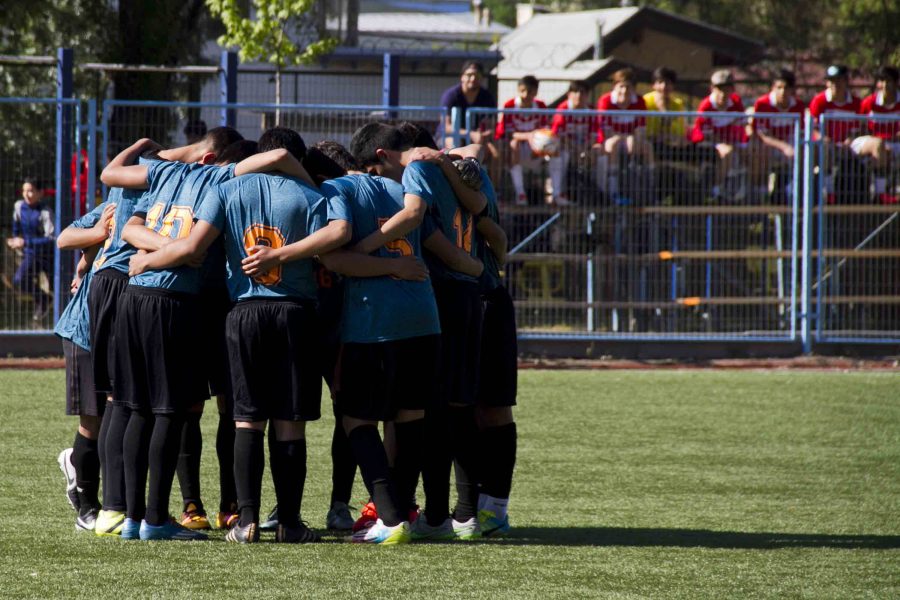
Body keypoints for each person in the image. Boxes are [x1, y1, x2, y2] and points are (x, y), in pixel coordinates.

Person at [127, 127, 352, 544]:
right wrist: (286, 253)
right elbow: (338, 234)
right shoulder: (309, 194)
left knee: (246, 419)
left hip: (243, 313)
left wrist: (149, 260)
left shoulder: (228, 190)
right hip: (294, 313)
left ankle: (245, 521)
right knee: (290, 424)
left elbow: (194, 245)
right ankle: (289, 522)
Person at [100, 129, 304, 541]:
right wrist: (174, 254)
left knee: (136, 408)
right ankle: (156, 520)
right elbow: (278, 154)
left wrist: (151, 256)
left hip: (133, 296)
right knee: (167, 411)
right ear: (220, 162)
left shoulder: (165, 172)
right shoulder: (222, 178)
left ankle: (134, 518)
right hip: (173, 300)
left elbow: (128, 227)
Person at [54, 201, 116, 531]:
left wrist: (86, 261)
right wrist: (99, 232)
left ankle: (78, 465)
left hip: (126, 327)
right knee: (93, 420)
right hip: (87, 329)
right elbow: (65, 238)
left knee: (117, 419)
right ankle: (87, 508)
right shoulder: (113, 205)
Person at [595, 68, 654, 200]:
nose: (625, 91)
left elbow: (640, 128)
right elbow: (606, 130)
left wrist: (633, 139)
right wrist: (624, 137)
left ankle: (649, 187)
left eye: (629, 87)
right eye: (621, 86)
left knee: (648, 148)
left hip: (631, 141)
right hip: (610, 140)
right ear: (615, 86)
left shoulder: (639, 102)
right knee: (614, 144)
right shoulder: (606, 101)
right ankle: (613, 189)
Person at [748, 69, 806, 199]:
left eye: (786, 88)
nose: (782, 92)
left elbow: (801, 132)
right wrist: (784, 147)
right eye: (779, 87)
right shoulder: (762, 104)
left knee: (805, 152)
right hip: (769, 144)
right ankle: (759, 192)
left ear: (792, 90)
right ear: (773, 88)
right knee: (761, 152)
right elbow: (763, 135)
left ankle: (796, 189)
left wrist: (794, 148)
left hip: (789, 143)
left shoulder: (798, 105)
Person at [690, 69, 748, 201]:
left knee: (752, 151)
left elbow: (744, 125)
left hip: (731, 141)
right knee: (727, 152)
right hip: (707, 143)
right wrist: (730, 144)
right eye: (719, 88)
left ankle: (752, 192)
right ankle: (715, 191)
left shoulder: (736, 102)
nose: (723, 93)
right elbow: (707, 135)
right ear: (712, 89)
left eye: (727, 89)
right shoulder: (706, 106)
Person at [809, 65, 863, 202]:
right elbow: (812, 127)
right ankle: (829, 191)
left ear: (846, 81)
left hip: (850, 145)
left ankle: (880, 193)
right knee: (825, 148)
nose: (835, 84)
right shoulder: (819, 101)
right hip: (827, 145)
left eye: (839, 80)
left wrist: (851, 139)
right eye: (831, 81)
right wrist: (824, 138)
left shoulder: (856, 103)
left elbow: (860, 128)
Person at [495, 75, 548, 205]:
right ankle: (521, 193)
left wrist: (538, 142)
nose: (525, 95)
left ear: (535, 92)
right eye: (522, 91)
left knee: (556, 147)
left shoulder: (541, 106)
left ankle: (556, 194)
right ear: (518, 90)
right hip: (515, 152)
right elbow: (508, 133)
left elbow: (545, 130)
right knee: (514, 144)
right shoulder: (510, 105)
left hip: (535, 150)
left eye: (529, 91)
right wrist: (529, 136)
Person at [8, 177, 54, 321]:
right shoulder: (18, 207)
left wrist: (25, 242)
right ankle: (43, 299)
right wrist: (15, 240)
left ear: (40, 193)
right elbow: (16, 227)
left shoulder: (45, 212)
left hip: (49, 256)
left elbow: (51, 239)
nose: (27, 194)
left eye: (31, 191)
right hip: (31, 254)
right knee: (19, 280)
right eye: (24, 191)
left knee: (60, 290)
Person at [853, 66, 900, 203]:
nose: (885, 85)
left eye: (889, 81)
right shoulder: (868, 103)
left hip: (895, 144)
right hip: (872, 143)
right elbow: (859, 128)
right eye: (882, 80)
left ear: (896, 83)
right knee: (879, 145)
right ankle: (880, 195)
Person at [549, 80, 598, 205]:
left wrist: (584, 150)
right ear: (569, 94)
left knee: (601, 156)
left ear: (587, 95)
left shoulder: (591, 111)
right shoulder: (563, 109)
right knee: (560, 155)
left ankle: (601, 196)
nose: (579, 95)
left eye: (583, 92)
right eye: (575, 92)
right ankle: (557, 195)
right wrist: (575, 150)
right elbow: (557, 136)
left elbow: (594, 136)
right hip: (567, 148)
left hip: (583, 149)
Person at [440, 61, 497, 147]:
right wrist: (470, 133)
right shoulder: (451, 95)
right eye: (469, 75)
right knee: (455, 144)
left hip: (479, 138)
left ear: (482, 78)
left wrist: (486, 132)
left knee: (496, 147)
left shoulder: (487, 97)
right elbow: (446, 127)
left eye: (477, 75)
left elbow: (490, 124)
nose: (473, 78)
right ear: (462, 77)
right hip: (450, 137)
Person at [643, 67, 688, 157]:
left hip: (671, 145)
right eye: (660, 82)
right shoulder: (645, 101)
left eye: (667, 83)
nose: (664, 87)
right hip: (649, 143)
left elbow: (681, 131)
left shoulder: (677, 105)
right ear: (654, 85)